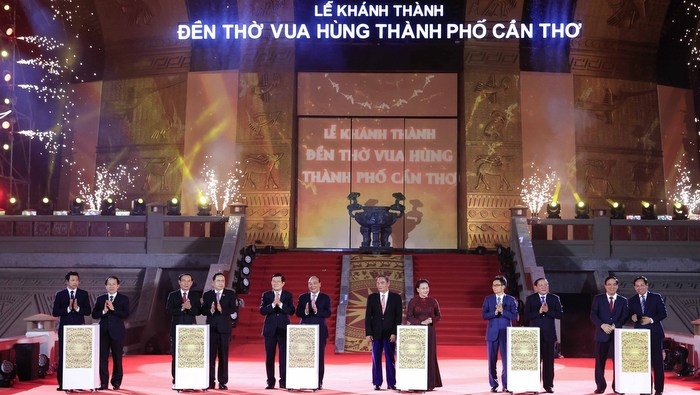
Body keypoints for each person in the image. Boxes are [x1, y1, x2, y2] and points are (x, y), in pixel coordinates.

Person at [52, 271, 92, 391]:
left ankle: (78, 383)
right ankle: (63, 384)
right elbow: (55, 312)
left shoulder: (83, 294)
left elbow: (88, 311)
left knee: (79, 357)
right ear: (67, 282)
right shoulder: (60, 294)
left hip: (79, 330)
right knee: (64, 356)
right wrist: (69, 309)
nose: (75, 282)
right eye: (72, 280)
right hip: (65, 329)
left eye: (77, 280)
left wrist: (77, 308)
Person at [590, 275, 629, 394]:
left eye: (614, 284)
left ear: (617, 286)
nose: (611, 287)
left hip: (616, 335)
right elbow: (593, 315)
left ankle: (617, 386)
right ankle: (600, 386)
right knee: (600, 362)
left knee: (618, 362)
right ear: (605, 286)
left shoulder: (623, 300)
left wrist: (614, 326)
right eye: (609, 284)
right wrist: (602, 325)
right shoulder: (598, 298)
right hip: (601, 335)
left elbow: (625, 317)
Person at [628, 275, 667, 395]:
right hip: (640, 336)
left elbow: (663, 313)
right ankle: (645, 388)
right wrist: (632, 317)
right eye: (637, 286)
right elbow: (629, 315)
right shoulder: (632, 300)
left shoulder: (656, 297)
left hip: (655, 334)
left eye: (642, 285)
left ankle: (659, 390)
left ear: (647, 285)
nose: (640, 288)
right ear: (635, 288)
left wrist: (651, 320)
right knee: (643, 364)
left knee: (657, 363)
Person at [524, 277, 563, 394]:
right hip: (534, 335)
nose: (543, 287)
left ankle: (548, 386)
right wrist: (539, 312)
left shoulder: (554, 298)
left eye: (545, 285)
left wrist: (547, 311)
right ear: (536, 287)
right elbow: (526, 316)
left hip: (549, 335)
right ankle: (533, 384)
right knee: (534, 361)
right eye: (540, 285)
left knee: (549, 362)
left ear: (548, 286)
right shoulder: (530, 299)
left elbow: (560, 315)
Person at [91, 276, 130, 391]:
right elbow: (94, 314)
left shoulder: (124, 299)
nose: (111, 286)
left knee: (117, 358)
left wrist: (113, 309)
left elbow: (126, 314)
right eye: (109, 284)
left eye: (114, 284)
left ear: (118, 286)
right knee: (102, 358)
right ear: (106, 286)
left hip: (117, 332)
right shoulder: (100, 299)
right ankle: (103, 383)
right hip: (103, 333)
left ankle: (116, 382)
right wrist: (104, 311)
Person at [365, 274, 403, 391]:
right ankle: (377, 382)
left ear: (388, 284)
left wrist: (394, 332)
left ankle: (391, 383)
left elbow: (398, 317)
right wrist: (368, 333)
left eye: (382, 283)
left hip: (389, 333)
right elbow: (368, 317)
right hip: (376, 333)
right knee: (376, 358)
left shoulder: (396, 298)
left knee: (390, 358)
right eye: (378, 283)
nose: (379, 285)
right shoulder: (371, 298)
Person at [201, 272, 237, 390]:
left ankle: (222, 382)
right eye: (218, 281)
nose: (221, 283)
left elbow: (233, 309)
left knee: (223, 355)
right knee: (210, 356)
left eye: (222, 281)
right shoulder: (207, 295)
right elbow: (202, 310)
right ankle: (210, 380)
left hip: (224, 329)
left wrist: (223, 310)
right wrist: (211, 310)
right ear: (213, 282)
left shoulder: (230, 294)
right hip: (211, 329)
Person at [482, 275, 518, 393]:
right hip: (492, 333)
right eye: (493, 285)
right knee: (491, 360)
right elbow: (484, 315)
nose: (494, 287)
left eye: (497, 285)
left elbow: (514, 316)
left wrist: (503, 311)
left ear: (503, 287)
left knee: (506, 361)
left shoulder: (511, 299)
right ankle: (493, 384)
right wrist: (495, 312)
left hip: (506, 333)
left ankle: (506, 384)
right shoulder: (488, 299)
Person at [406, 278, 443, 391]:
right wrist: (421, 322)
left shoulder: (433, 301)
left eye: (427, 288)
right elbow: (409, 316)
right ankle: (415, 382)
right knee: (417, 357)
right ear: (418, 289)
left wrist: (432, 320)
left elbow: (438, 316)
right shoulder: (413, 301)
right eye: (423, 288)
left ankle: (429, 383)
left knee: (430, 355)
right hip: (417, 332)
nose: (426, 290)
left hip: (430, 332)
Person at [296, 275, 332, 390]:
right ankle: (304, 380)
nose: (312, 286)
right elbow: (297, 312)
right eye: (310, 283)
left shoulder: (325, 298)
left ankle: (318, 381)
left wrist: (317, 311)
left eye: (315, 283)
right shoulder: (303, 297)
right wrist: (305, 311)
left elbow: (328, 313)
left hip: (320, 331)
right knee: (303, 357)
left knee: (319, 357)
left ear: (320, 284)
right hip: (304, 331)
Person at [165, 273, 202, 385]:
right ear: (179, 282)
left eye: (188, 281)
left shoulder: (195, 295)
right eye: (184, 281)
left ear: (191, 283)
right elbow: (169, 310)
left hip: (191, 330)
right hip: (176, 330)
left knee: (191, 356)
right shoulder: (172, 295)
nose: (186, 283)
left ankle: (190, 379)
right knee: (176, 355)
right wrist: (182, 308)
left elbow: (199, 311)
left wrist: (190, 308)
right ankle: (177, 379)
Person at [260, 273, 295, 390]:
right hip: (270, 330)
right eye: (273, 281)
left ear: (283, 283)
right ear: (271, 282)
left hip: (284, 330)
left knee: (283, 357)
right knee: (269, 357)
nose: (275, 283)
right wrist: (272, 305)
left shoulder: (288, 295)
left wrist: (280, 304)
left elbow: (291, 311)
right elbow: (262, 310)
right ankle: (270, 381)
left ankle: (283, 381)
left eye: (278, 281)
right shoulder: (266, 295)